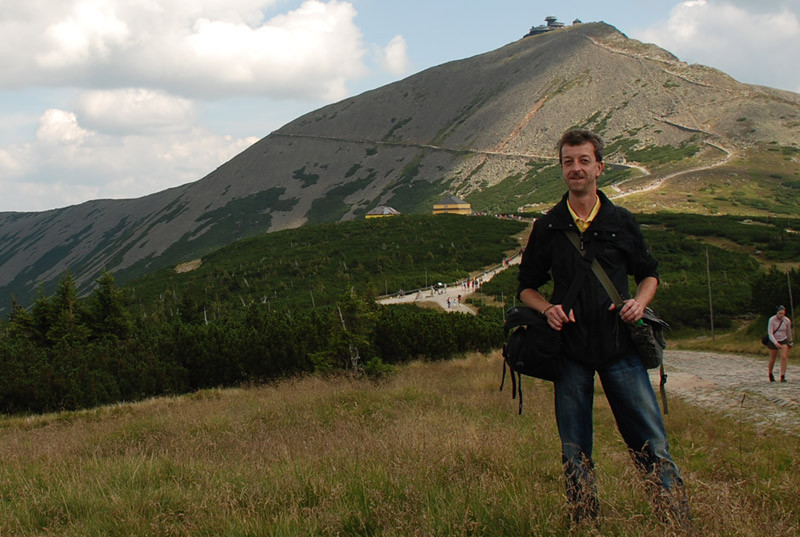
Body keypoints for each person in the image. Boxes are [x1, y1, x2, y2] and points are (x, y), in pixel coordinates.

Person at [517, 129, 688, 524]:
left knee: (652, 443)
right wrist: (547, 310)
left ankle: (675, 522)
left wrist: (639, 304)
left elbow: (649, 275)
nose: (576, 168)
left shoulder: (621, 221)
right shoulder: (548, 226)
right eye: (568, 162)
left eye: (583, 161)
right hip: (570, 352)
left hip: (620, 350)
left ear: (599, 167)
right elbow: (526, 287)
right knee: (574, 449)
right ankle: (585, 523)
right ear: (561, 168)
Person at [767, 305, 792, 382]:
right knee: (773, 358)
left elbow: (788, 332)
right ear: (777, 313)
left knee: (784, 357)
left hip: (783, 339)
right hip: (774, 339)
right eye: (780, 313)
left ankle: (782, 375)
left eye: (783, 313)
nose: (781, 315)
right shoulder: (772, 320)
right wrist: (775, 342)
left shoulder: (787, 320)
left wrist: (790, 341)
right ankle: (770, 373)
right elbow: (770, 333)